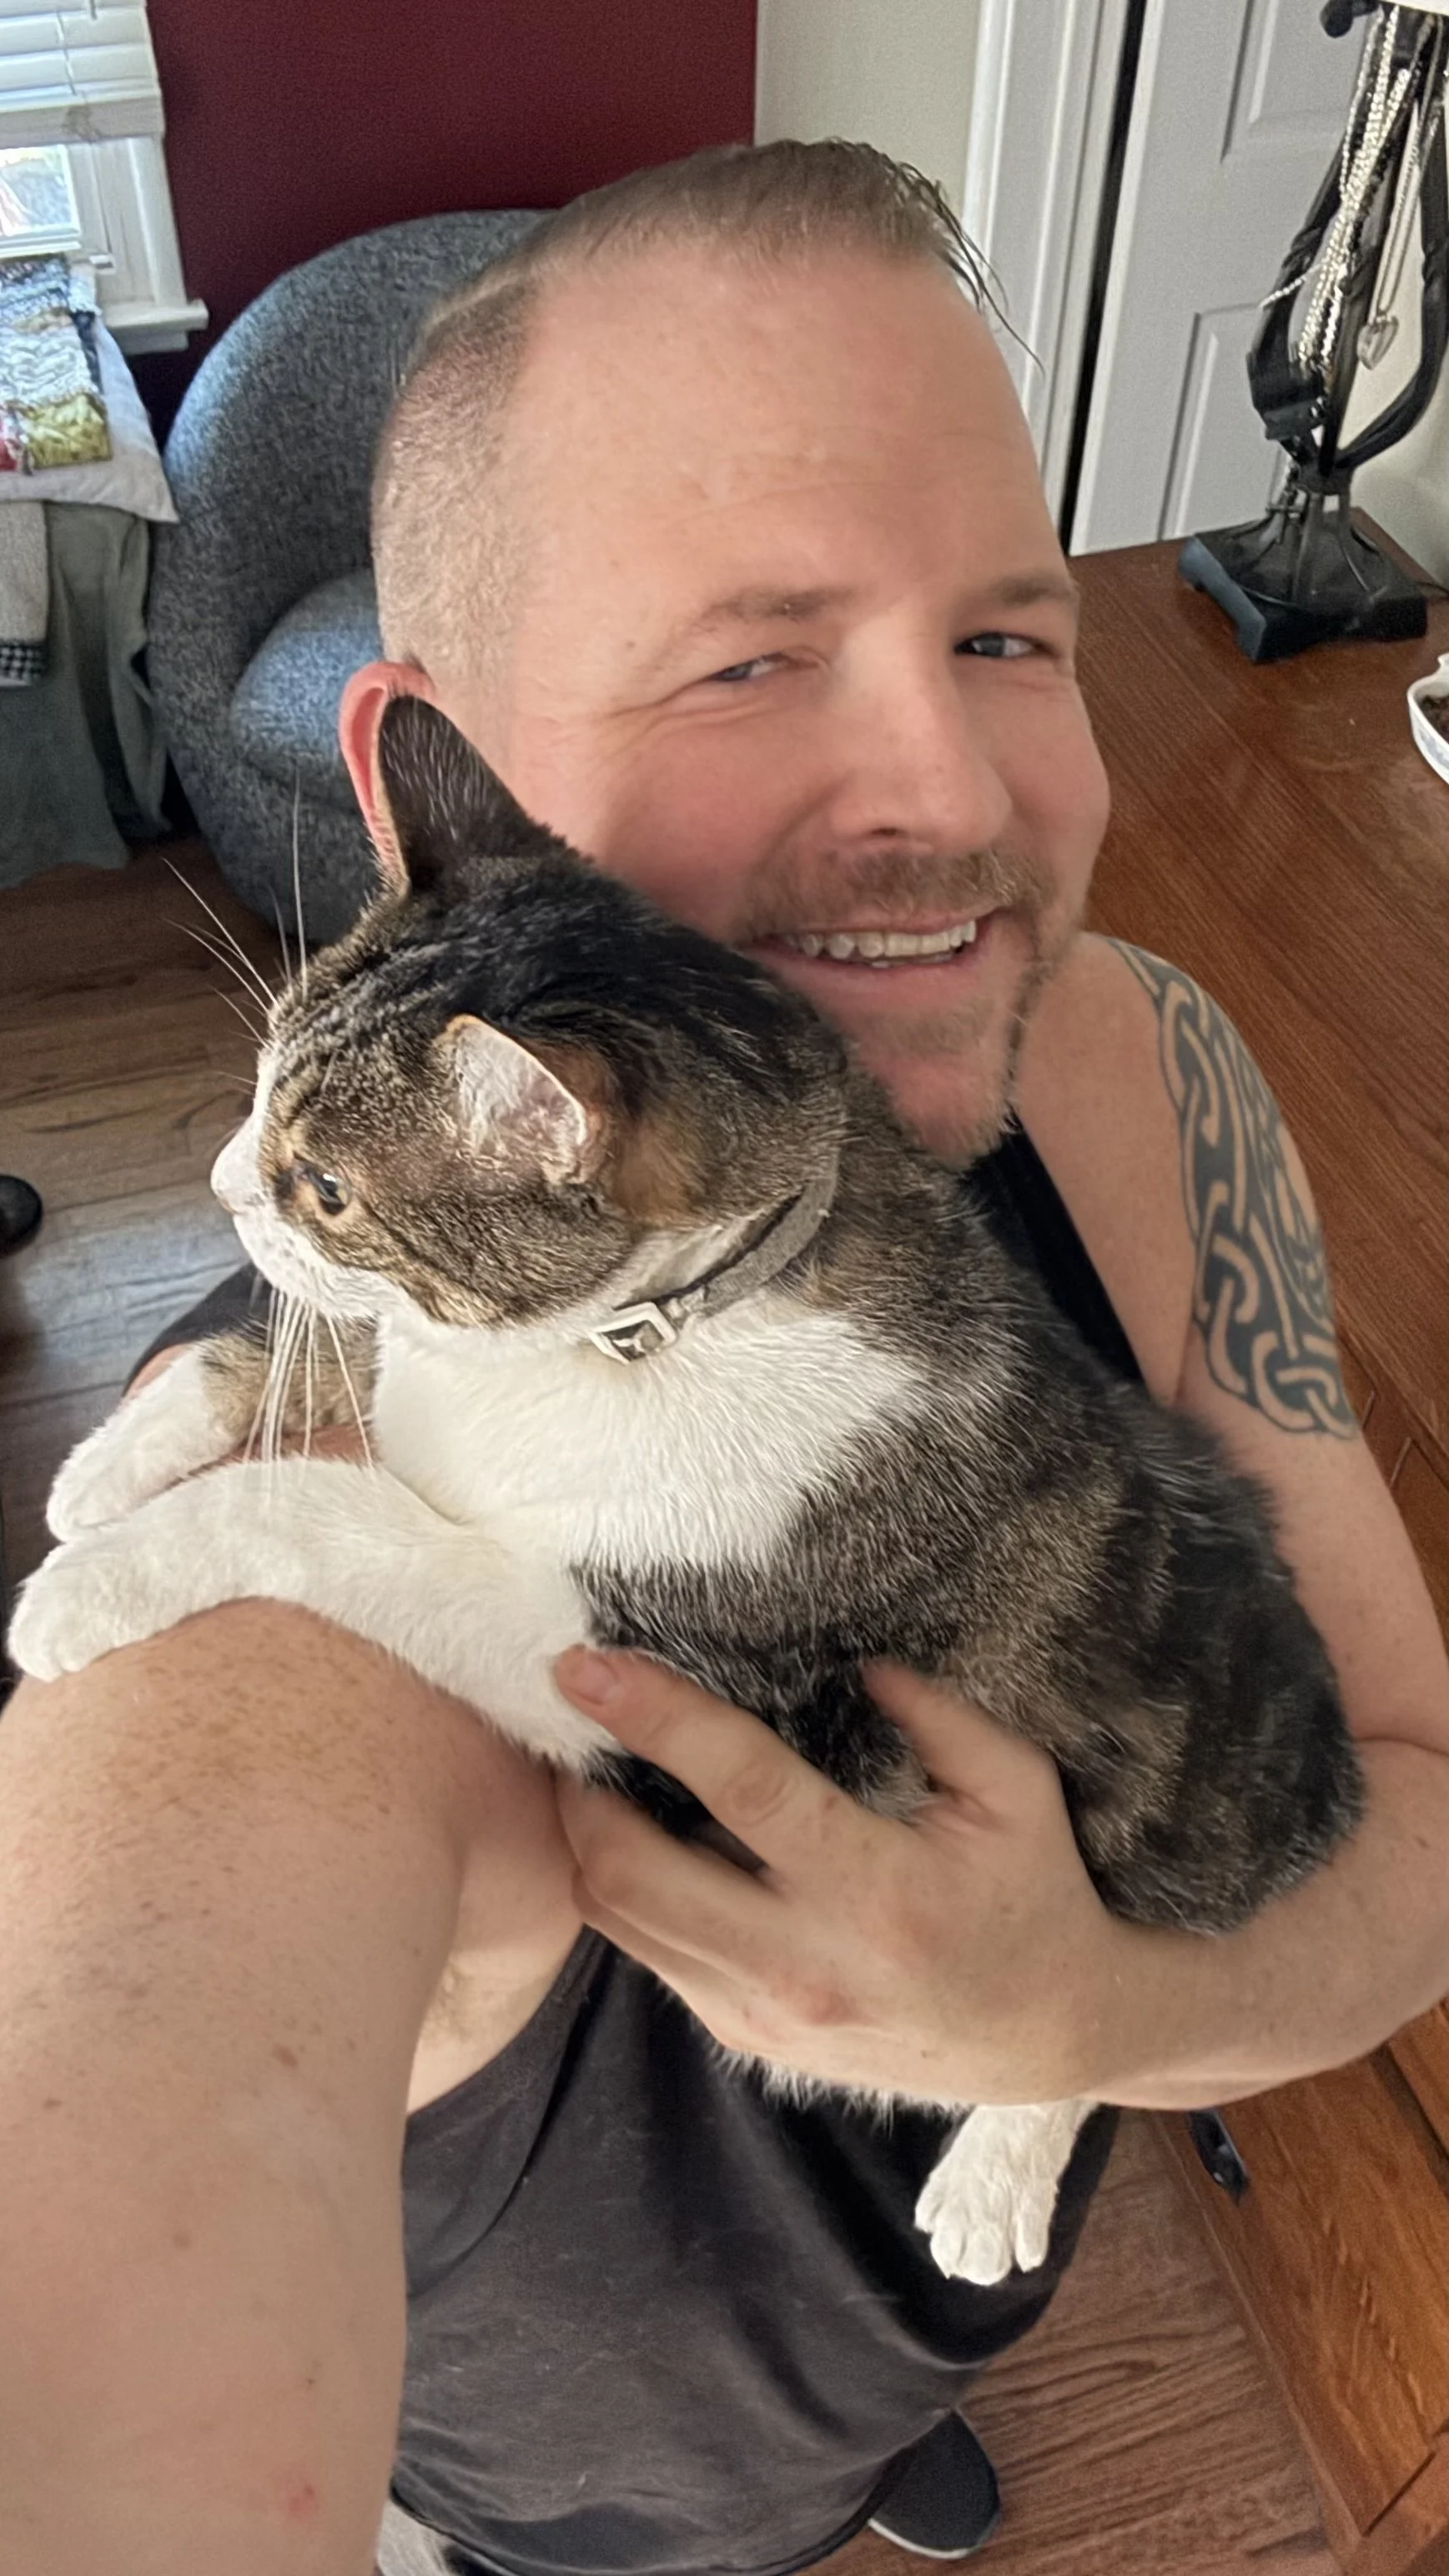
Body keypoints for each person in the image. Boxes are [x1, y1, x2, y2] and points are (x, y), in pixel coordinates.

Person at [1, 143, 1443, 2576]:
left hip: (939, 2293)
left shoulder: (1129, 1055)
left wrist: (1077, 2031)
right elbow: (141, 2040)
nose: (957, 797)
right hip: (570, 2478)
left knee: (898, 2382)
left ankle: (873, 2441)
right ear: (437, 785)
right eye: (748, 660)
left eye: (1011, 637)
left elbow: (1414, 1810)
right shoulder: (334, 1412)